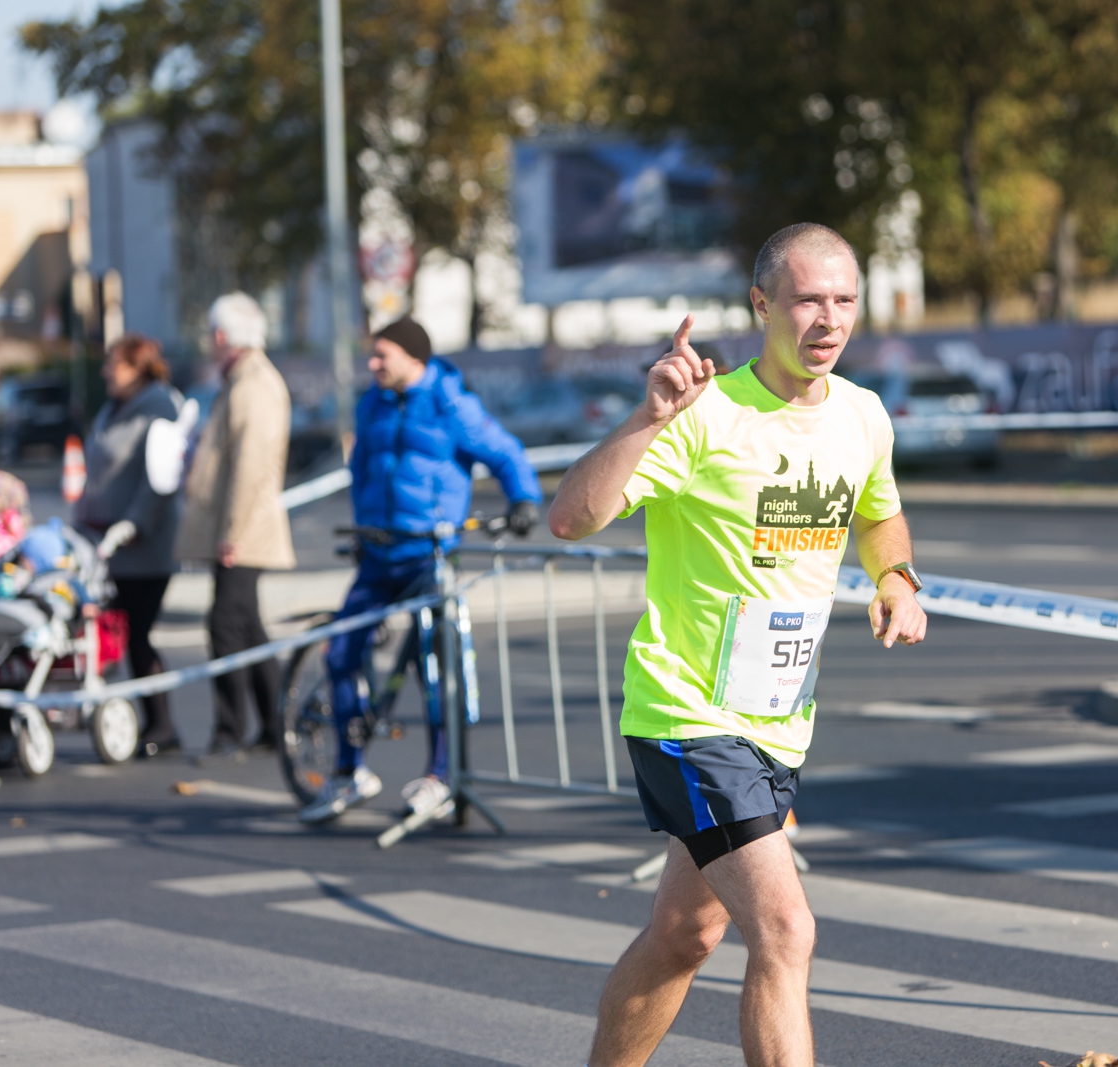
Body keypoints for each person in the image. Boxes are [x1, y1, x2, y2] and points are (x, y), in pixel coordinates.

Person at [548, 223, 928, 1067]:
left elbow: (877, 511)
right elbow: (570, 518)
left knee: (684, 934)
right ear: (762, 306)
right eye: (806, 300)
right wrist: (647, 418)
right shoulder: (703, 415)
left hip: (776, 725)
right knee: (787, 929)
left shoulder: (862, 416)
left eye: (843, 301)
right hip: (688, 715)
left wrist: (896, 577)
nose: (827, 320)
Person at [299, 316, 543, 824]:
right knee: (341, 651)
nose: (372, 364)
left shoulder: (450, 402)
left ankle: (440, 777)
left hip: (427, 557)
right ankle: (348, 773)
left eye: (380, 355)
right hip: (377, 552)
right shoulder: (373, 403)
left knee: (435, 668)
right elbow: (362, 469)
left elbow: (505, 452)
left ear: (414, 357)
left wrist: (523, 500)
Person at [175, 292, 296, 759]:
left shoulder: (253, 384)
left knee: (226, 625)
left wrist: (234, 530)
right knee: (246, 626)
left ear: (222, 336)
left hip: (245, 532)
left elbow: (250, 467)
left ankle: (232, 730)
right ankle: (272, 724)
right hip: (243, 529)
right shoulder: (243, 380)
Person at [75, 333, 188, 758]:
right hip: (105, 542)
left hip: (143, 545)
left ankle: (162, 723)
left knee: (138, 633)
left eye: (114, 365)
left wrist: (135, 523)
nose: (106, 371)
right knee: (120, 635)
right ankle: (150, 720)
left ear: (137, 368)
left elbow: (157, 478)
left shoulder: (158, 406)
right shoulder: (112, 408)